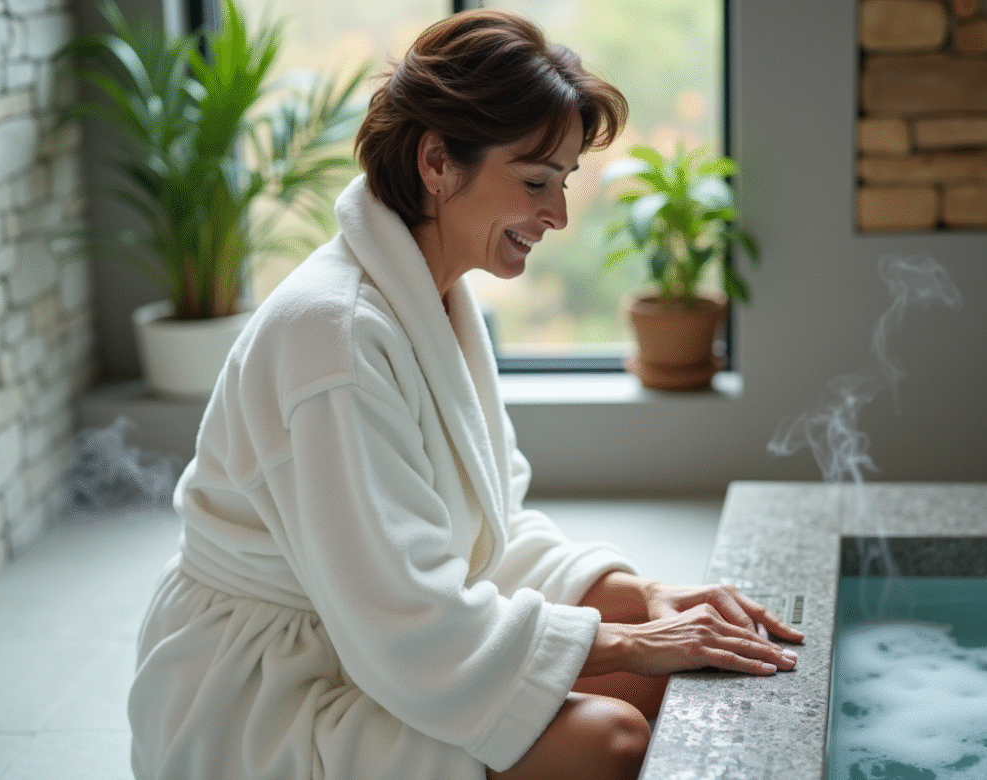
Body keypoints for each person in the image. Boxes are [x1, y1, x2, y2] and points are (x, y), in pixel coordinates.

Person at [127, 9, 804, 780]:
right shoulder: (335, 336)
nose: (556, 214)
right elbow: (405, 618)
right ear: (438, 163)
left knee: (672, 687)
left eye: (564, 181)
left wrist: (645, 598)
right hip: (267, 694)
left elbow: (489, 537)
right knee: (608, 737)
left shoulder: (434, 300)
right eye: (534, 180)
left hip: (373, 644)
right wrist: (621, 642)